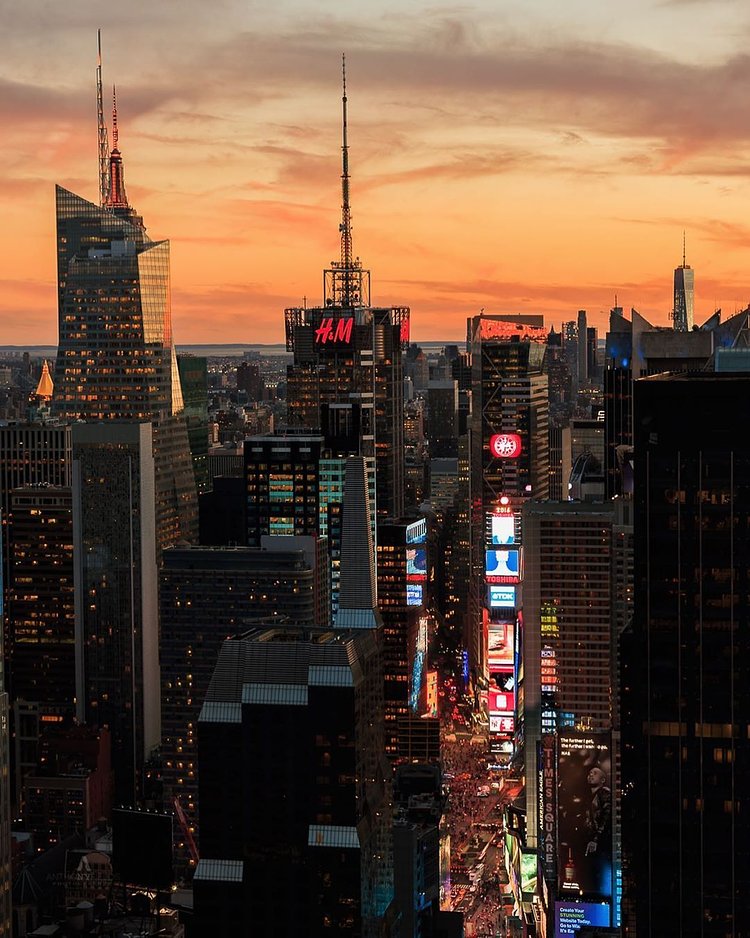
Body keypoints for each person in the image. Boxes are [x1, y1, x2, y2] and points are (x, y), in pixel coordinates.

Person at [584, 765, 612, 857]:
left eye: (594, 773)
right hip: (590, 840)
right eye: (590, 773)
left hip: (600, 842)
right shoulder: (588, 796)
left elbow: (607, 817)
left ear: (602, 780)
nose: (591, 775)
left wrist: (596, 839)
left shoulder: (604, 793)